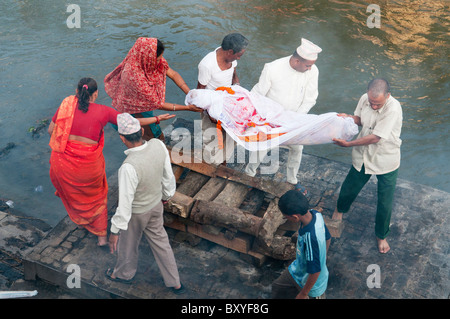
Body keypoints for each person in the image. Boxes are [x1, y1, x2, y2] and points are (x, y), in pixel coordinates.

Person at [48, 77, 174, 246]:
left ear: (77, 92)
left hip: (62, 164)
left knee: (75, 195)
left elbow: (51, 131)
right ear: (96, 94)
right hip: (88, 167)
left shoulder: (66, 105)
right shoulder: (104, 111)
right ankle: (101, 237)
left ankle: (82, 223)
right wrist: (158, 119)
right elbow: (132, 124)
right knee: (97, 197)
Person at [105, 113, 184, 294]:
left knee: (128, 245)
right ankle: (175, 282)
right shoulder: (158, 145)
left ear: (122, 139)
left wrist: (115, 231)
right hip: (156, 205)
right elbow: (167, 175)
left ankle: (123, 274)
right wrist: (166, 196)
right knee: (161, 243)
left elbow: (124, 206)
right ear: (141, 131)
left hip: (137, 214)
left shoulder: (128, 167)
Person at [332, 78, 403, 254]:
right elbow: (360, 119)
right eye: (371, 102)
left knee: (385, 200)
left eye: (378, 104)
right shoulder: (365, 98)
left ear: (388, 96)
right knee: (350, 186)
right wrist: (348, 118)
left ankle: (381, 235)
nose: (374, 106)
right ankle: (340, 210)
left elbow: (376, 137)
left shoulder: (393, 109)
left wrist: (348, 144)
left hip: (385, 158)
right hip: (363, 155)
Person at [244, 38, 322, 191]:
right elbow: (258, 94)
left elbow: (310, 98)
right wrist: (254, 116)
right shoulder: (272, 68)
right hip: (270, 118)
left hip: (294, 119)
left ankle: (292, 180)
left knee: (297, 148)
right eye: (307, 65)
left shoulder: (313, 71)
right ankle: (248, 174)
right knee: (262, 147)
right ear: (297, 61)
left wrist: (294, 119)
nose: (310, 69)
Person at [104, 37, 202, 141]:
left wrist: (190, 93)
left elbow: (173, 74)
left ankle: (111, 126)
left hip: (137, 100)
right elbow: (157, 104)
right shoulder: (135, 77)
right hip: (134, 108)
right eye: (159, 59)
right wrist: (188, 108)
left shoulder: (142, 56)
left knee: (146, 132)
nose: (161, 61)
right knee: (153, 137)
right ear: (150, 59)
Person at [196, 33, 249, 165]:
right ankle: (209, 166)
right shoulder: (207, 65)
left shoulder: (232, 60)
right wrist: (209, 113)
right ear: (230, 52)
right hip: (211, 107)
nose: (239, 58)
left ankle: (223, 163)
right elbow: (199, 92)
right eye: (239, 55)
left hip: (228, 104)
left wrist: (237, 89)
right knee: (212, 140)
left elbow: (234, 76)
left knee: (230, 137)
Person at [272, 190, 331, 299]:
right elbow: (328, 237)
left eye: (286, 217)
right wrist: (323, 256)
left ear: (295, 217)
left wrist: (303, 294)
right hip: (297, 271)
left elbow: (315, 271)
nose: (286, 219)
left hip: (312, 285)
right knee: (278, 287)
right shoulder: (316, 214)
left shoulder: (310, 238)